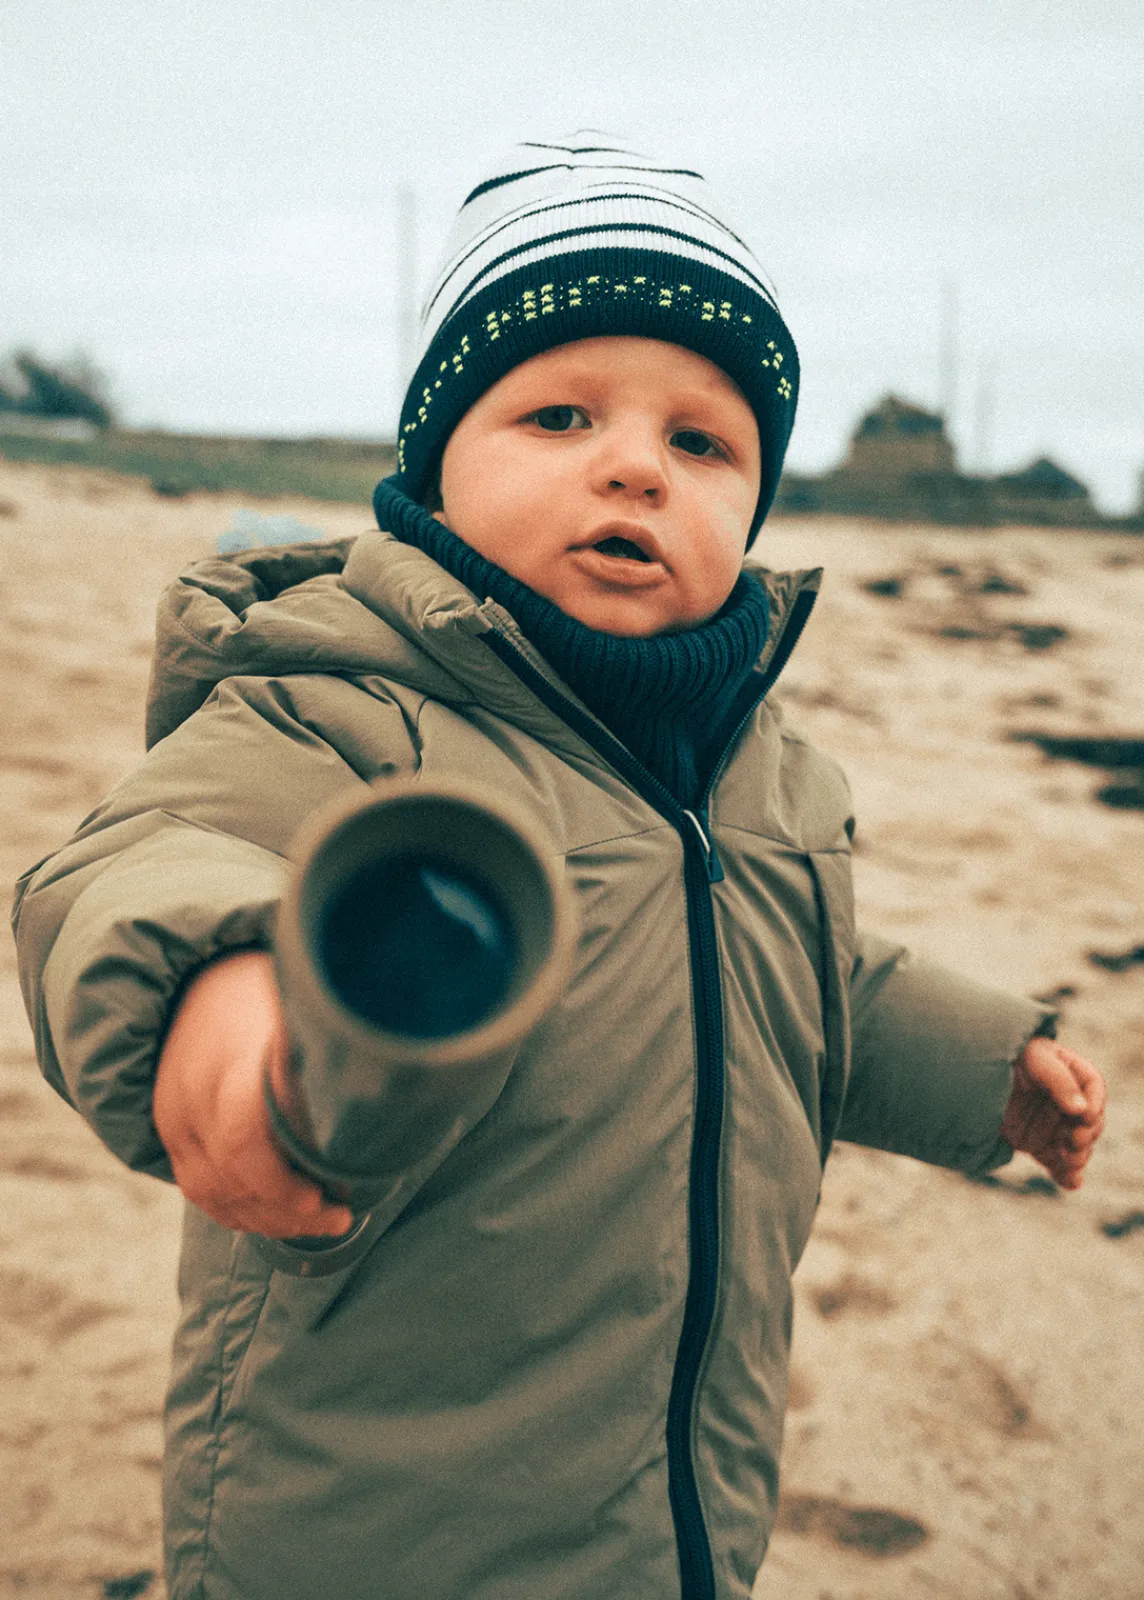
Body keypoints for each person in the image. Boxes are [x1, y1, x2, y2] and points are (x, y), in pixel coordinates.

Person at [12, 133, 1105, 1600]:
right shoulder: (344, 702)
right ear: (438, 469)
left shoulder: (759, 768)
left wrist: (987, 1066)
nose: (635, 466)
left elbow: (806, 980)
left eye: (702, 443)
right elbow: (138, 861)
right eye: (561, 413)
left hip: (680, 1507)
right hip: (368, 1518)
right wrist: (225, 1002)